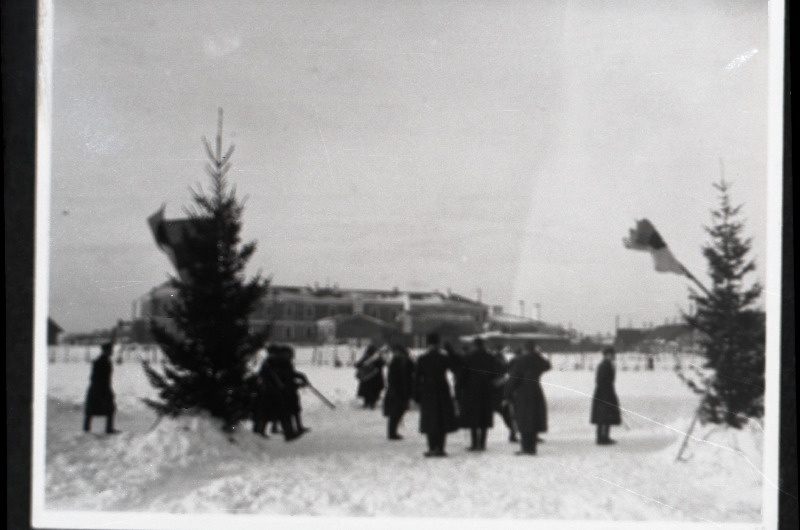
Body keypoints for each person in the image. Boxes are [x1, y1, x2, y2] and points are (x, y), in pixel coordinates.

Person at [413, 333, 459, 457]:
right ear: (438, 344)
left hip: (427, 391)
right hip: (442, 390)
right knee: (442, 420)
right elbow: (457, 367)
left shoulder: (422, 359)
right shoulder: (444, 358)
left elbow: (416, 378)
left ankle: (432, 447)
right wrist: (450, 351)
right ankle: (441, 448)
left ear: (428, 344)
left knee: (430, 420)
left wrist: (416, 395)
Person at [503, 341, 551, 455]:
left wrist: (507, 394)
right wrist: (538, 354)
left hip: (522, 392)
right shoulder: (537, 359)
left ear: (524, 348)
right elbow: (547, 366)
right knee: (533, 418)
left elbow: (513, 378)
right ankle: (532, 448)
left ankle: (526, 448)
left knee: (523, 418)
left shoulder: (520, 360)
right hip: (535, 390)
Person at [459, 338, 504, 451]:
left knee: (473, 417)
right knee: (484, 417)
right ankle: (483, 444)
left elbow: (463, 375)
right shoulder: (490, 357)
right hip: (487, 390)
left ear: (474, 345)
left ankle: (474, 444)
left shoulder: (469, 357)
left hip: (472, 391)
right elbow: (498, 373)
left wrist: (460, 388)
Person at [269, 344, 310, 441]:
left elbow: (291, 374)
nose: (291, 355)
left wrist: (301, 377)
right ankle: (289, 432)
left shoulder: (286, 363)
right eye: (289, 353)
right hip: (284, 392)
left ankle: (297, 428)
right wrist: (297, 384)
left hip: (289, 390)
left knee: (294, 409)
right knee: (287, 411)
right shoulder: (279, 364)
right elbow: (285, 378)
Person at [83, 342, 120, 434]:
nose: (112, 352)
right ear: (105, 351)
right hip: (98, 389)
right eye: (110, 350)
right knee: (94, 409)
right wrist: (103, 390)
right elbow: (94, 377)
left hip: (101, 388)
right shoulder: (100, 362)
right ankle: (88, 430)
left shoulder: (106, 361)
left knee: (102, 409)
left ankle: (89, 429)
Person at [382, 344, 415, 440]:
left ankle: (392, 432)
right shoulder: (399, 361)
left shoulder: (400, 361)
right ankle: (392, 433)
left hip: (397, 390)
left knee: (397, 411)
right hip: (398, 390)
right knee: (396, 412)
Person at [591, 347, 622, 445]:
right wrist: (606, 394)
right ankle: (601, 438)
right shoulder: (604, 365)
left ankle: (605, 437)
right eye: (611, 354)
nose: (613, 356)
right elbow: (600, 381)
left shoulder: (609, 365)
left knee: (607, 415)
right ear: (607, 355)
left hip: (607, 393)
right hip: (603, 394)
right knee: (603, 416)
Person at [252, 350, 283, 438]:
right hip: (266, 391)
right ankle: (260, 430)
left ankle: (264, 429)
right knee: (264, 412)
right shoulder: (267, 364)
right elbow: (263, 376)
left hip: (271, 391)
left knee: (270, 411)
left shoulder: (272, 363)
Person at [494, 347, 519, 443]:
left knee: (505, 413)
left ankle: (513, 433)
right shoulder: (500, 361)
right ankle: (513, 433)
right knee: (506, 413)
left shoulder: (498, 360)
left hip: (496, 390)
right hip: (500, 390)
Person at [355, 344, 386, 409]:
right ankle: (370, 403)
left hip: (370, 378)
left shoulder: (372, 357)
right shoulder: (374, 358)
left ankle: (369, 403)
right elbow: (358, 365)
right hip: (373, 378)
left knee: (370, 392)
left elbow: (358, 364)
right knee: (373, 392)